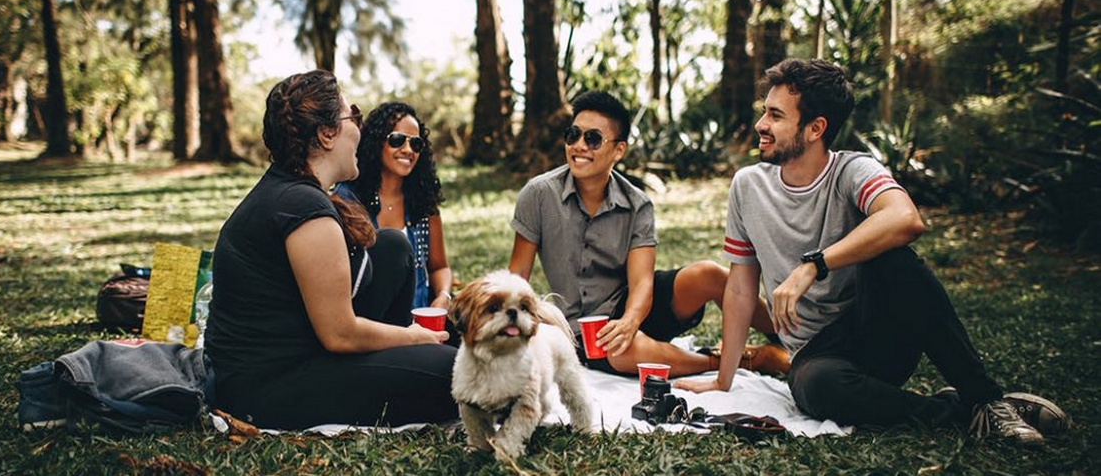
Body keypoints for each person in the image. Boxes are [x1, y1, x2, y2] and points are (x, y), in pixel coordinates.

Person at [674, 58, 1068, 445]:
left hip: (877, 333)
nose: (761, 125)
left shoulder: (853, 170)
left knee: (895, 259)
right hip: (816, 355)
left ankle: (985, 398)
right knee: (816, 388)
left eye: (775, 116)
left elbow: (905, 218)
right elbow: (741, 288)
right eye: (765, 112)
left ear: (815, 128)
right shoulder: (748, 186)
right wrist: (723, 381)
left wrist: (814, 265)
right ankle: (962, 412)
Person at [205, 71, 458, 430]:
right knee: (457, 371)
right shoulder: (303, 208)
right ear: (326, 134)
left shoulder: (294, 190)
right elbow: (339, 334)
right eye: (352, 115)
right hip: (267, 387)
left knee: (391, 246)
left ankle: (409, 357)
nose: (359, 127)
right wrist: (414, 336)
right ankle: (414, 357)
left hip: (300, 353)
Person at [507, 90, 789, 378]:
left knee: (709, 274)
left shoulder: (637, 203)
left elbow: (642, 283)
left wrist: (630, 321)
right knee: (621, 350)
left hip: (634, 306)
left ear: (618, 150)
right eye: (573, 135)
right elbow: (516, 277)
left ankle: (793, 335)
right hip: (582, 329)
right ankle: (740, 361)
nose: (579, 146)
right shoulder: (538, 194)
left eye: (592, 138)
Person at [334, 102, 453, 311]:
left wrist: (443, 296)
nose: (408, 150)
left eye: (416, 144)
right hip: (368, 323)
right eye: (397, 140)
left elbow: (439, 266)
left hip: (420, 322)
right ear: (376, 142)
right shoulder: (347, 200)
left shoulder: (423, 202)